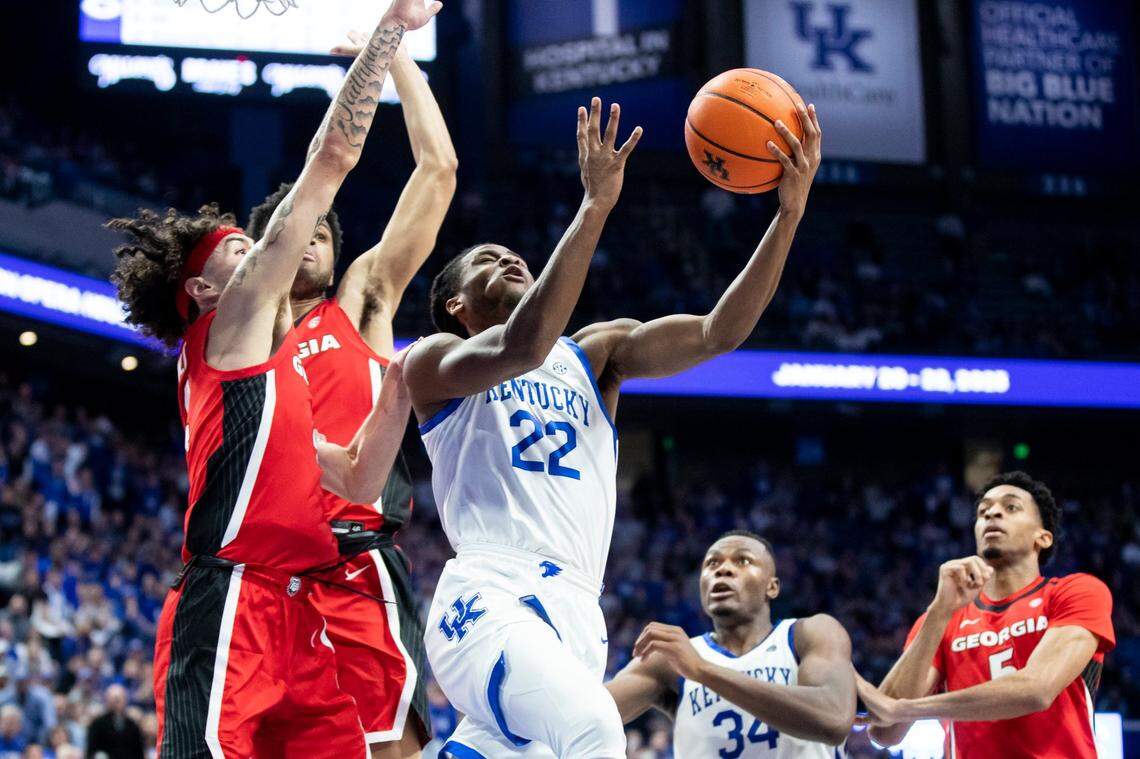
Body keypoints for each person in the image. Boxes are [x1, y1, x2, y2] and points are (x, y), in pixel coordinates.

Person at [405, 99, 821, 758]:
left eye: (517, 254)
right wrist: (594, 206)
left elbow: (720, 331)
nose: (512, 260)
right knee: (594, 729)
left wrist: (788, 214)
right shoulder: (431, 362)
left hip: (577, 607)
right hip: (489, 592)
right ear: (457, 305)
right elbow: (523, 346)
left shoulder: (597, 354)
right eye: (490, 258)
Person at [106, 0, 440, 754]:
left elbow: (356, 477)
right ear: (205, 291)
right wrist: (390, 32)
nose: (258, 250)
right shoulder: (222, 333)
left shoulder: (278, 377)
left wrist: (395, 391)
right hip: (230, 596)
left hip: (302, 612)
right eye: (238, 249)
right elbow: (328, 164)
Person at [244, 34, 456, 759]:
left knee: (388, 750)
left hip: (354, 561)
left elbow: (439, 169)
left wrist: (395, 58)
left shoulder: (360, 303)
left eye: (324, 237)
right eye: (296, 234)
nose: (310, 244)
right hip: (263, 577)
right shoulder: (239, 342)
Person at [857, 471, 1115, 759]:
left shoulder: (1074, 592)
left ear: (1042, 537)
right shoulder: (941, 620)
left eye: (1011, 507)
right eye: (983, 511)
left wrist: (908, 708)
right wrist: (938, 611)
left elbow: (1036, 689)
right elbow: (885, 731)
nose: (992, 513)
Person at [606, 531, 854, 758]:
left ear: (772, 586)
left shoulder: (809, 633)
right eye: (712, 563)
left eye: (743, 561)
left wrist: (703, 671)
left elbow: (833, 720)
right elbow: (587, 715)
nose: (723, 570)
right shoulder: (670, 661)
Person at [85, 685, 144, 759]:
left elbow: (138, 751)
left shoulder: (132, 724)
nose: (116, 703)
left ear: (125, 700)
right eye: (113, 699)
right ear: (107, 700)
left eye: (119, 699)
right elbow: (91, 750)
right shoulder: (97, 724)